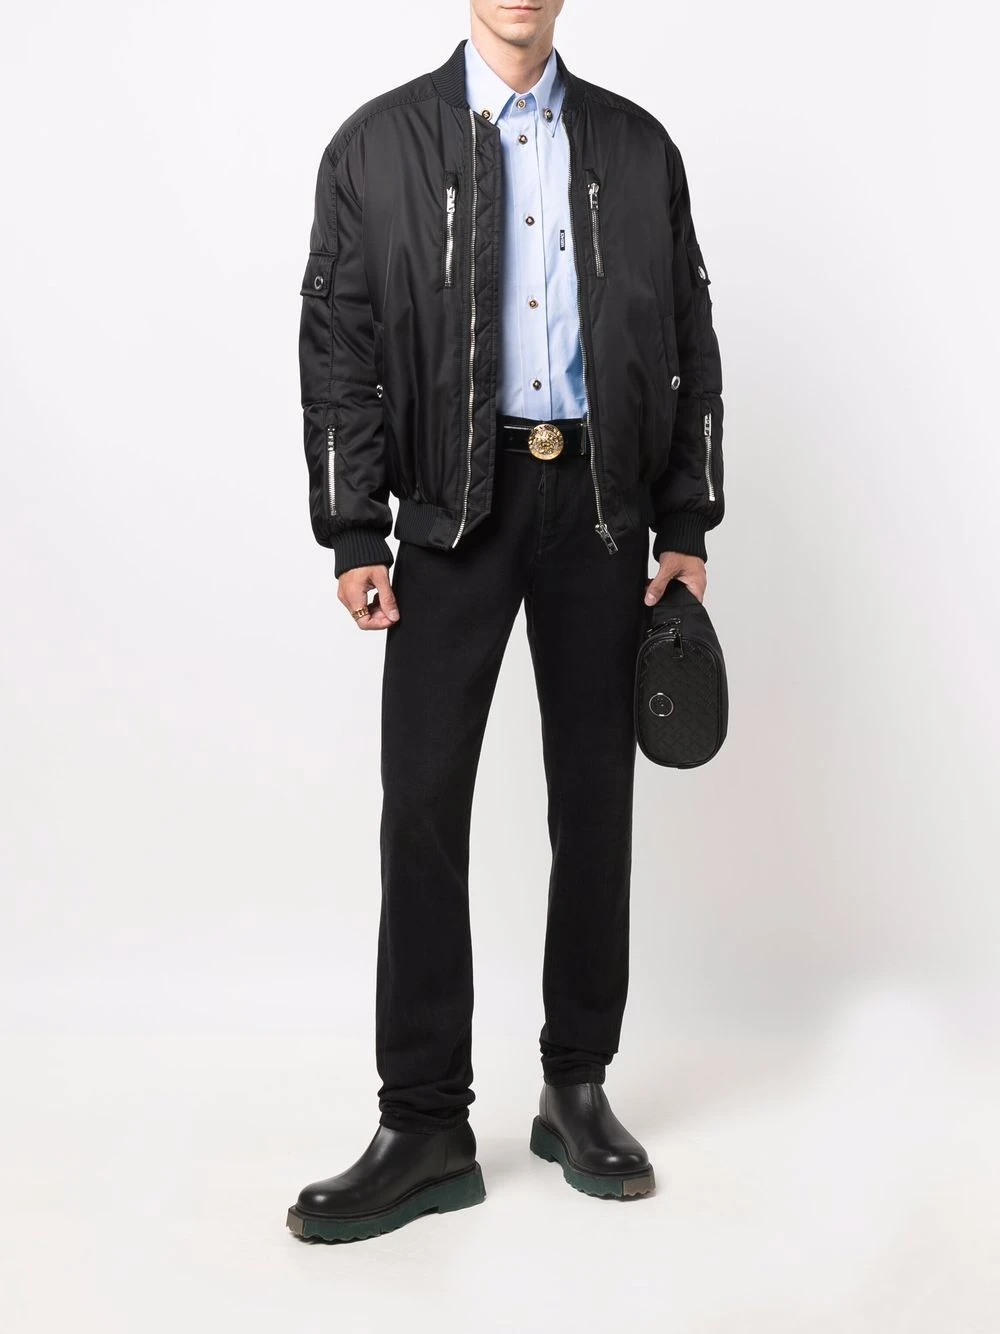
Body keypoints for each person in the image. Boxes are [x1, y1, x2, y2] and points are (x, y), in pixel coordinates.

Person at [286, 0, 725, 1243]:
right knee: (422, 808)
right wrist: (354, 531)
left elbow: (689, 335)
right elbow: (339, 346)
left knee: (593, 800)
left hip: (601, 509)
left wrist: (685, 518)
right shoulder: (375, 147)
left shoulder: (637, 148)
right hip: (449, 513)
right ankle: (424, 1120)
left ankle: (575, 1085)